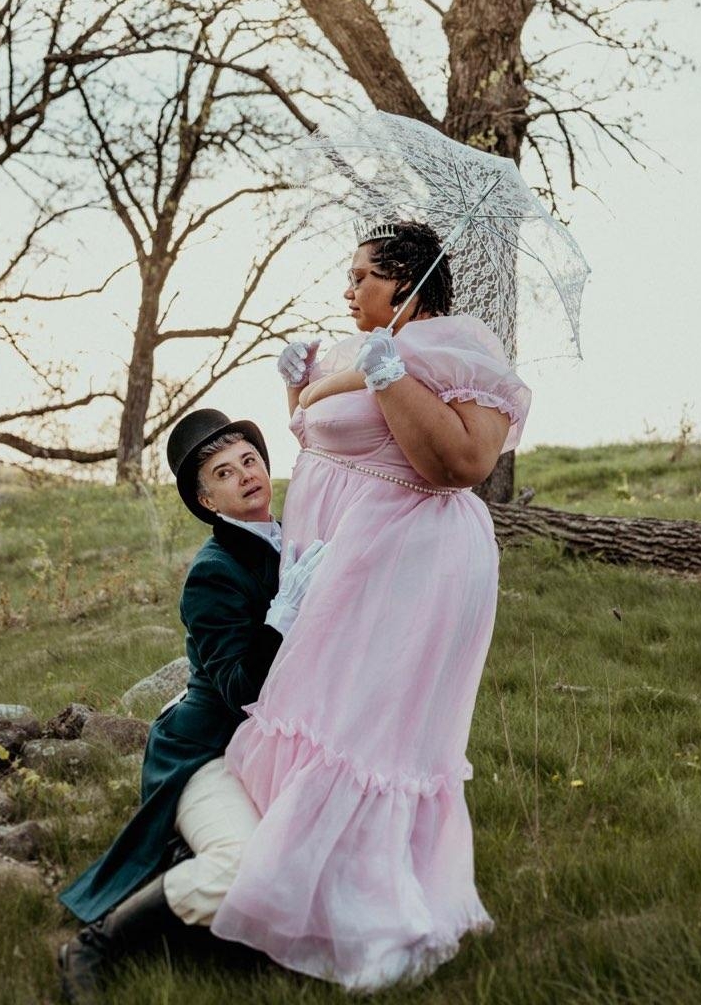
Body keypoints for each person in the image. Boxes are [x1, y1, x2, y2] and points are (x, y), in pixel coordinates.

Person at [210, 220, 532, 990]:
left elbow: (458, 464)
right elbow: (327, 441)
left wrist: (391, 375)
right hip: (340, 559)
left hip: (410, 566)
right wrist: (298, 388)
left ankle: (365, 914)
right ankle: (290, 887)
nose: (348, 289)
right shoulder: (363, 347)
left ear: (406, 282)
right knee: (316, 712)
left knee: (364, 730)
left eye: (362, 276)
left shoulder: (461, 350)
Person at [57, 410, 325, 1001]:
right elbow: (241, 688)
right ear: (206, 501)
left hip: (280, 742)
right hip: (208, 750)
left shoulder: (297, 536)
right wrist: (283, 615)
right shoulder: (212, 573)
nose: (246, 475)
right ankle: (96, 944)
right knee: (242, 863)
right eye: (224, 473)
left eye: (249, 460)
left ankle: (202, 904)